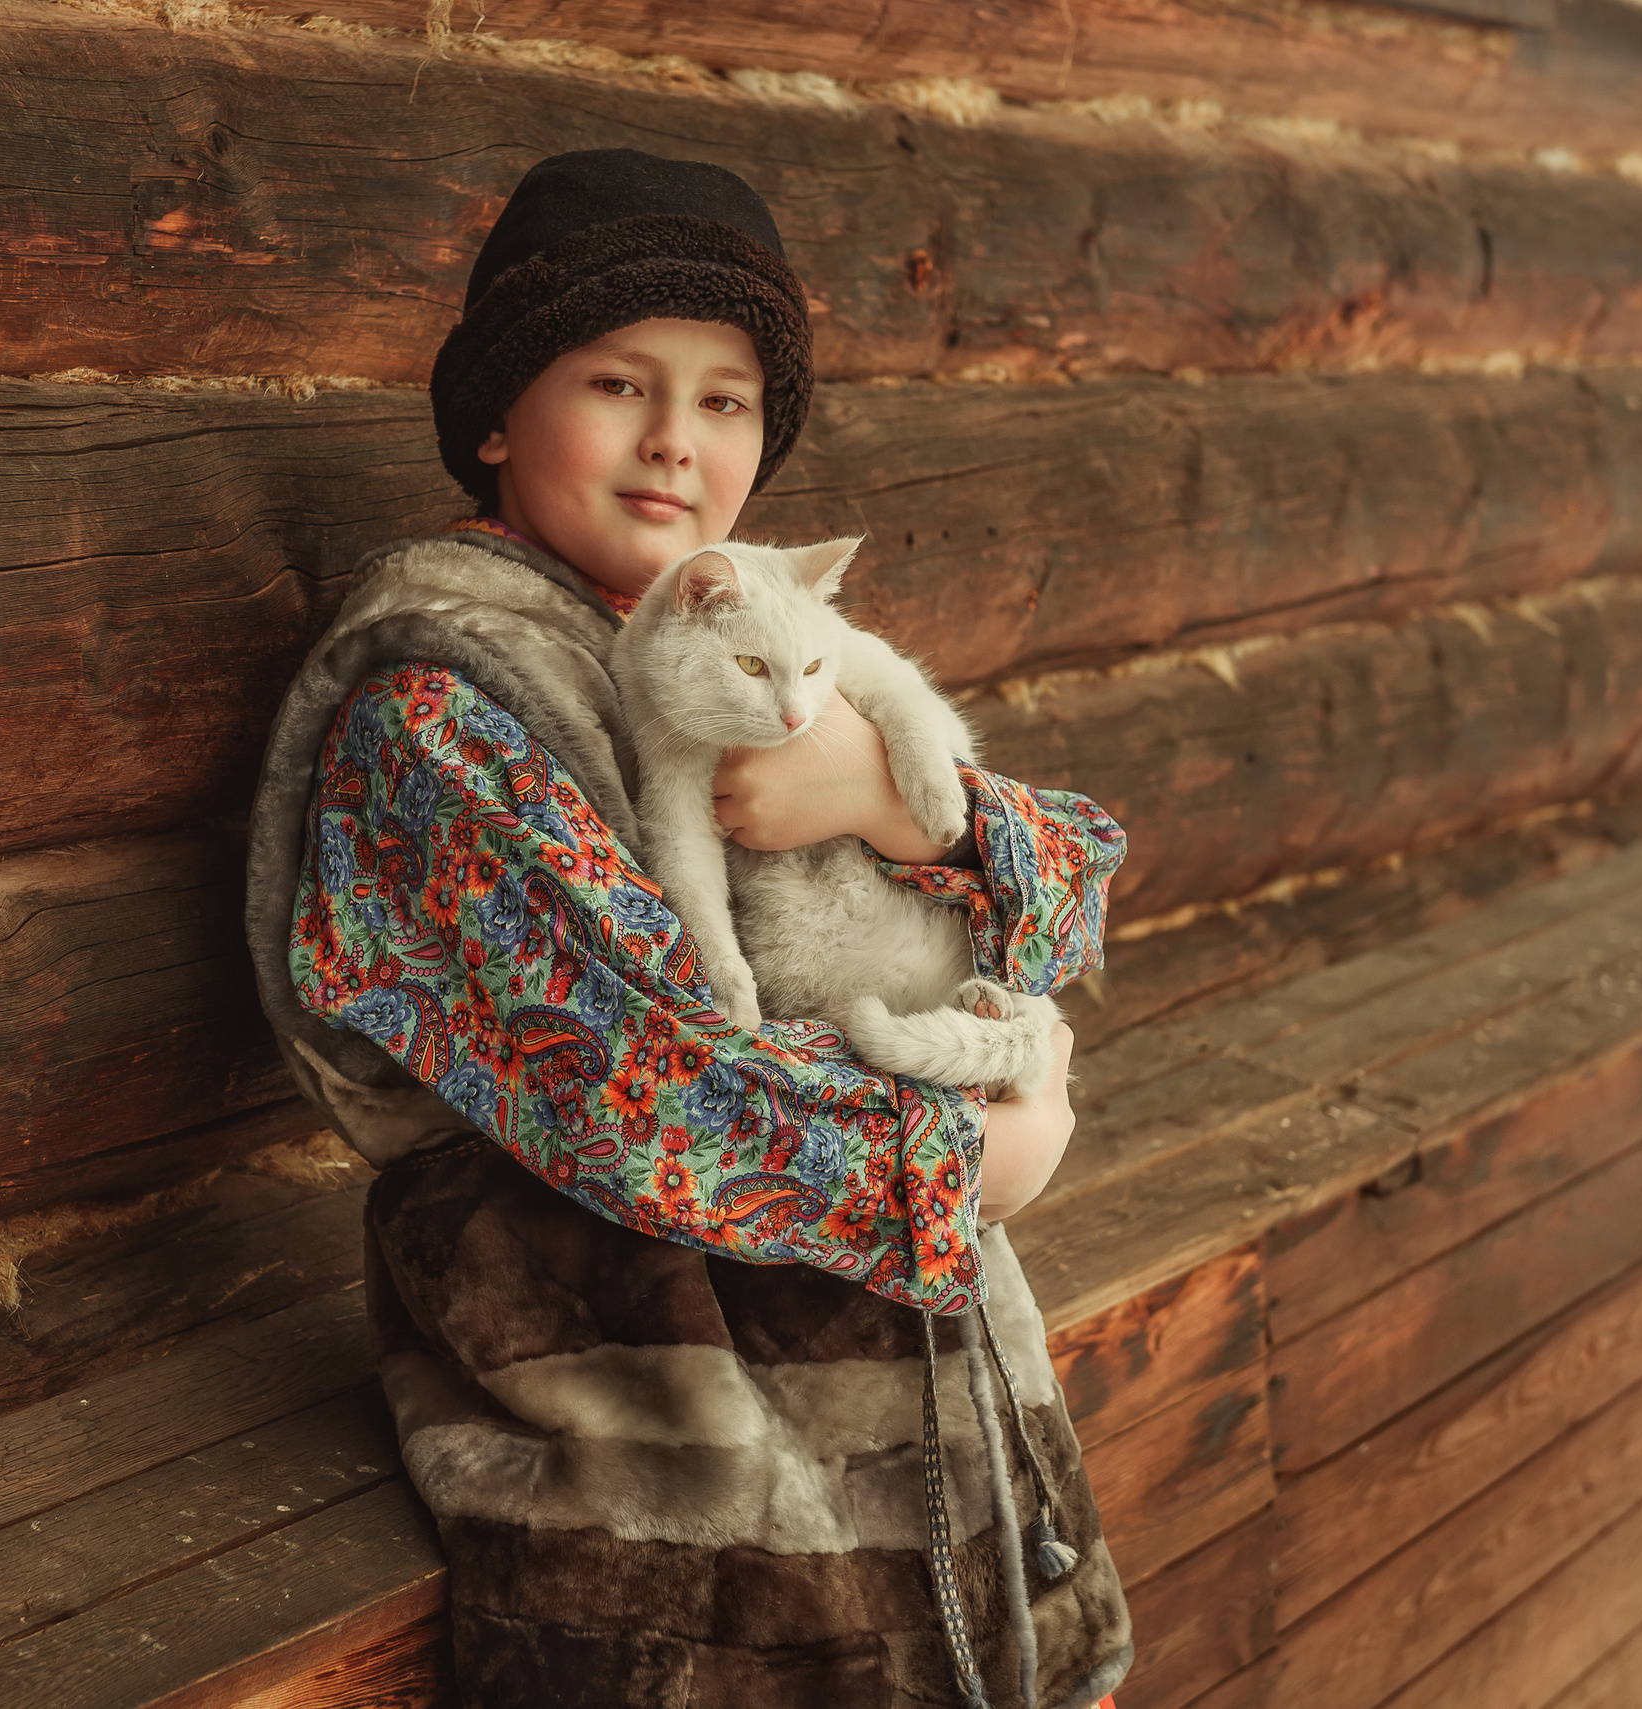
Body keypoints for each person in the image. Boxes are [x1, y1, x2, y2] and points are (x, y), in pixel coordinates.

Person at [246, 148, 1131, 1709]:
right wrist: (969, 1160)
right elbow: (638, 1088)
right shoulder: (444, 708)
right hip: (693, 1494)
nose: (676, 442)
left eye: (727, 401)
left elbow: (1072, 898)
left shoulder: (749, 657)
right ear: (499, 415)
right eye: (618, 380)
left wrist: (903, 807)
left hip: (948, 1454)